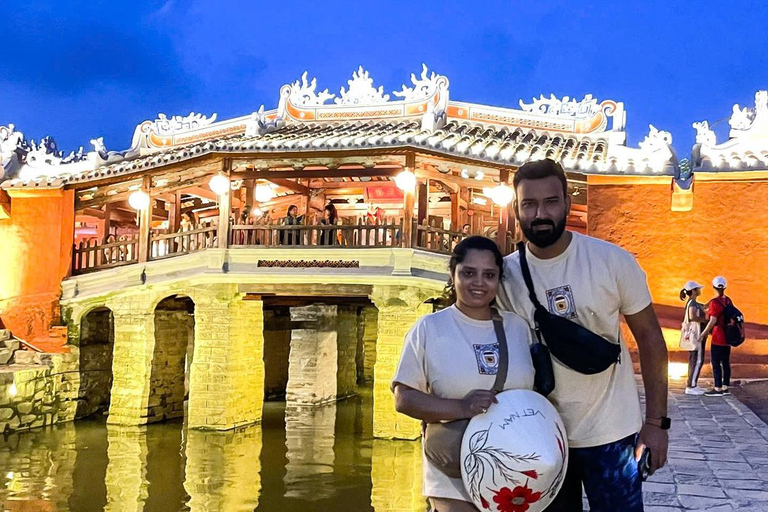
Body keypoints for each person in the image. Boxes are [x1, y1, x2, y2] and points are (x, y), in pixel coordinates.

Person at [497, 159, 669, 512]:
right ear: (516, 209)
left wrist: (656, 424)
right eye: (529, 204)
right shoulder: (503, 276)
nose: (540, 213)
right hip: (541, 437)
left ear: (568, 202)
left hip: (612, 435)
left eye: (550, 201)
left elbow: (651, 340)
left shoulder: (612, 261)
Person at [392, 236, 535, 512]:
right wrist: (461, 406)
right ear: (452, 274)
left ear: (499, 280)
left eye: (489, 275)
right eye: (468, 273)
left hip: (514, 473)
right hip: (452, 472)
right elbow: (404, 397)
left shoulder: (518, 328)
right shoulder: (429, 328)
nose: (478, 283)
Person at [699, 276, 733, 396]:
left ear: (713, 287)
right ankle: (725, 386)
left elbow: (712, 321)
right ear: (725, 287)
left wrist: (703, 334)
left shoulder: (714, 302)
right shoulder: (728, 300)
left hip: (718, 336)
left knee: (716, 362)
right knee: (725, 362)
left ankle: (717, 387)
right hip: (728, 336)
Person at [680, 281, 708, 395]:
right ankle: (691, 385)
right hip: (697, 335)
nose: (699, 291)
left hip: (695, 335)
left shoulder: (693, 303)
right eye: (698, 289)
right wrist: (705, 321)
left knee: (694, 360)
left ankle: (693, 383)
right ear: (694, 291)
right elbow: (692, 317)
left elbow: (704, 306)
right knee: (697, 360)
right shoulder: (692, 304)